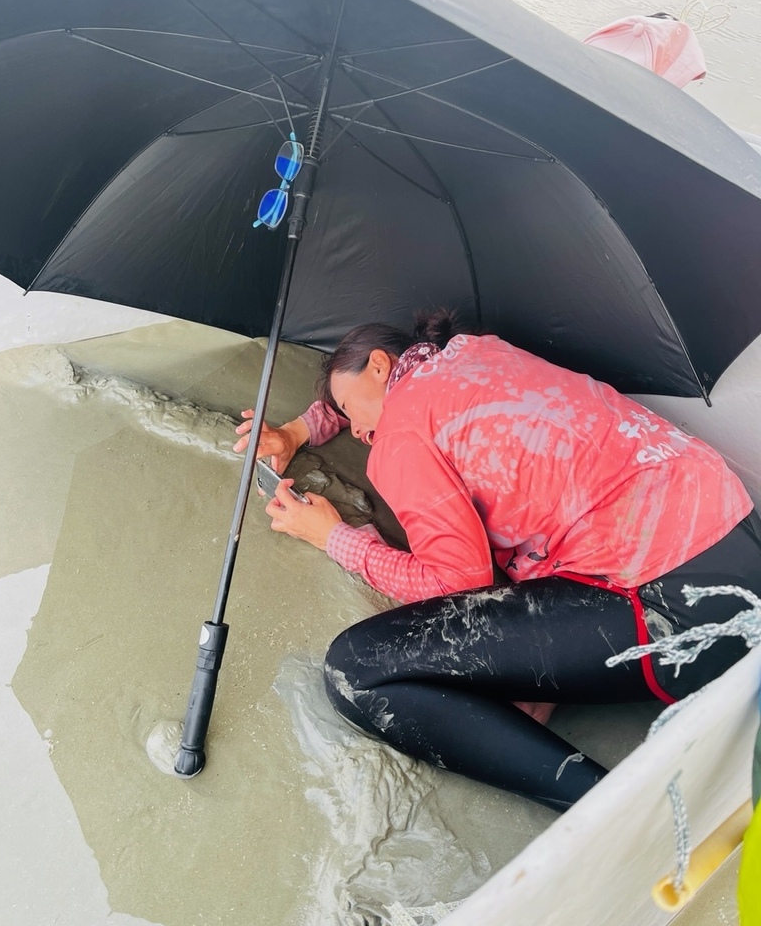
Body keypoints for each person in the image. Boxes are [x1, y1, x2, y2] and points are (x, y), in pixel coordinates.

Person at [234, 311, 761, 811]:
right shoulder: (479, 351)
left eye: (350, 413)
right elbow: (357, 393)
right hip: (736, 536)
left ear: (380, 364)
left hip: (675, 608)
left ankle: (612, 806)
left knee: (356, 669)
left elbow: (457, 581)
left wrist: (334, 538)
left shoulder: (401, 437)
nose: (355, 431)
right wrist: (297, 432)